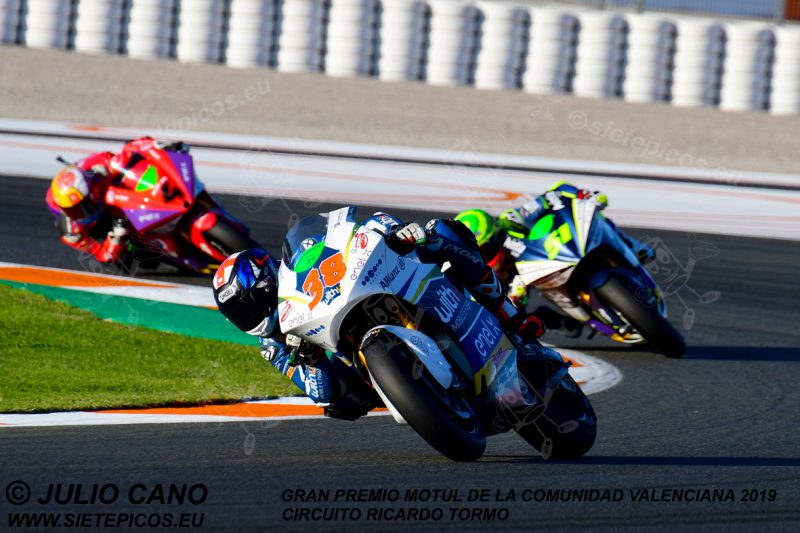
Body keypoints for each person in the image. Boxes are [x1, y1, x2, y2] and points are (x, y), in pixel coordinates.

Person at [211, 212, 546, 421]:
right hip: (361, 374)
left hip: (362, 293)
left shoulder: (297, 268)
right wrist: (310, 361)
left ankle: (506, 311)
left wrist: (393, 231)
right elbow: (320, 393)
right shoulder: (273, 347)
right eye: (240, 313)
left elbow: (358, 230)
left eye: (251, 303)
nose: (252, 315)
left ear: (268, 282)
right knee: (336, 403)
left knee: (442, 232)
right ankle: (420, 396)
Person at [454, 181, 655, 336]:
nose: (482, 256)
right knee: (517, 323)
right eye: (476, 253)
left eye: (485, 249)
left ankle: (632, 246)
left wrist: (582, 196)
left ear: (494, 233)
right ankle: (567, 321)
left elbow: (551, 196)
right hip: (515, 287)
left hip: (549, 258)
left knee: (597, 219)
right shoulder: (473, 275)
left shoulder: (511, 220)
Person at [45, 137, 210, 271]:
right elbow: (103, 256)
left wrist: (155, 146)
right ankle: (175, 255)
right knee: (129, 260)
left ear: (91, 190)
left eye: (83, 205)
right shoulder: (72, 232)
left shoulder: (98, 166)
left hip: (110, 197)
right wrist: (116, 239)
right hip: (107, 228)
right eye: (73, 211)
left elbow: (129, 151)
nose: (81, 213)